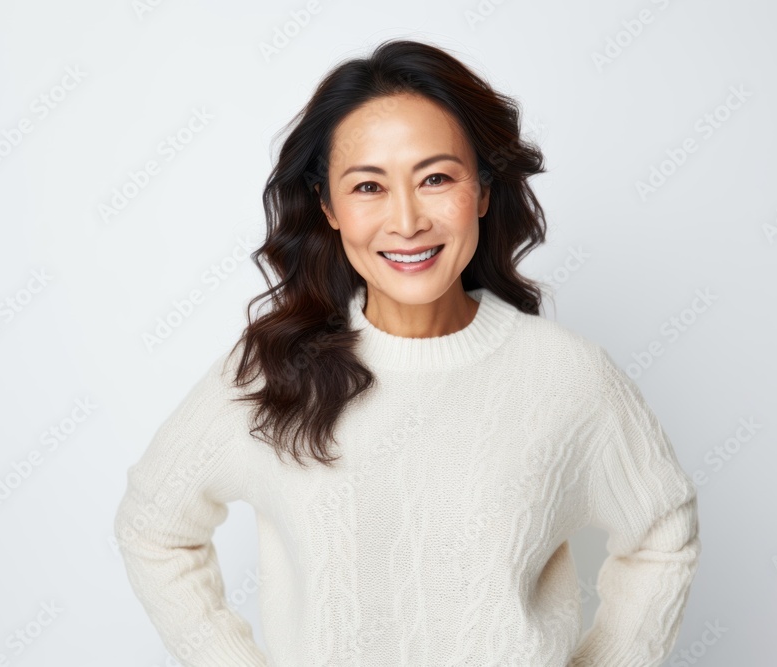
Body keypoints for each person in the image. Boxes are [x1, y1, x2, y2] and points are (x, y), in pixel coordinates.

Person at [114, 38, 701, 666]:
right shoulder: (277, 369)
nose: (406, 220)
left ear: (481, 191)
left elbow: (663, 534)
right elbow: (154, 529)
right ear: (328, 208)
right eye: (368, 186)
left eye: (437, 178)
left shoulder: (566, 377)